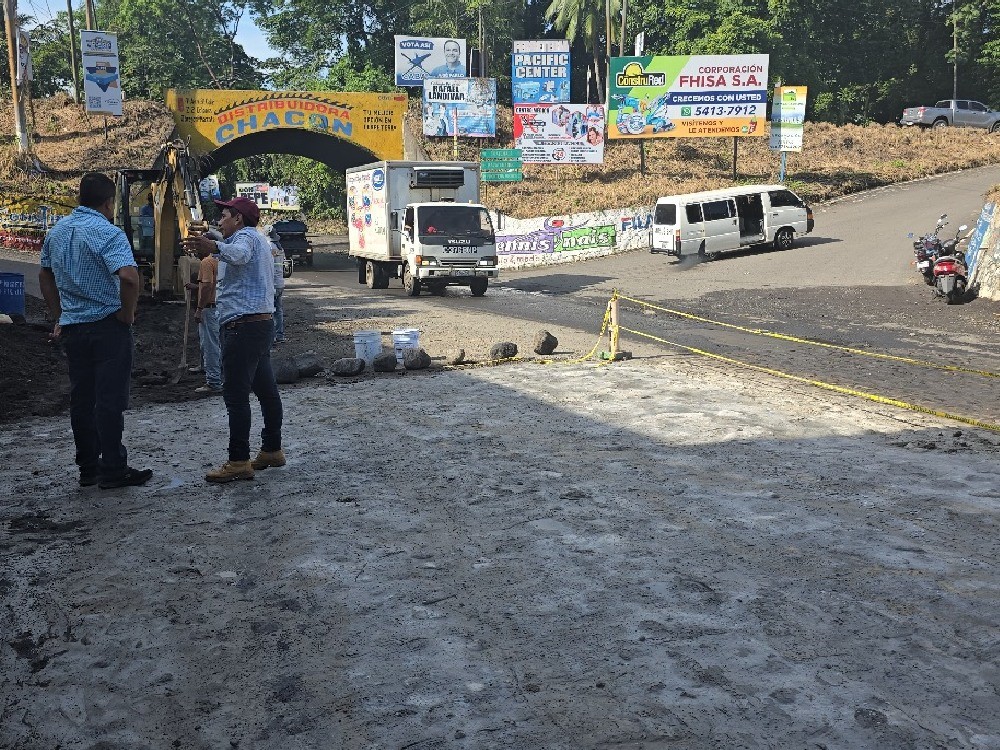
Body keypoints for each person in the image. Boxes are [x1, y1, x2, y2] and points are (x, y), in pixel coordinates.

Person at [37, 172, 153, 489]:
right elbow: (129, 277)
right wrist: (127, 314)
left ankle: (88, 468)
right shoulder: (107, 232)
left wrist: (59, 316)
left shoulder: (57, 232)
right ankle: (113, 468)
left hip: (74, 330)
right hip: (107, 327)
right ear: (108, 202)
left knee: (82, 399)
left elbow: (44, 275)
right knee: (109, 401)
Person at [182, 197, 284, 483]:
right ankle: (271, 449)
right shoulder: (259, 239)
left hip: (242, 328)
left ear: (238, 219)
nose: (220, 220)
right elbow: (236, 249)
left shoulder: (244, 240)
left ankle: (239, 460)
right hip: (260, 325)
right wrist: (214, 239)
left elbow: (237, 254)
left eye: (224, 215)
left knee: (236, 396)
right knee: (266, 390)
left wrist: (213, 247)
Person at [186, 239, 222, 392]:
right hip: (219, 307)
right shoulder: (220, 260)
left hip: (209, 307)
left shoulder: (207, 262)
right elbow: (211, 284)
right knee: (209, 342)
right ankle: (205, 367)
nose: (195, 252)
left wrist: (200, 308)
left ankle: (213, 381)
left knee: (210, 345)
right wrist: (196, 286)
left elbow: (207, 285)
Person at [266, 227, 287, 348]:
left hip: (272, 284)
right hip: (280, 283)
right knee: (278, 311)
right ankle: (280, 335)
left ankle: (272, 337)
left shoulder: (269, 247)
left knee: (270, 311)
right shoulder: (280, 248)